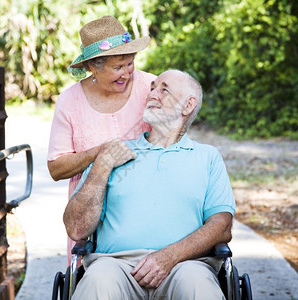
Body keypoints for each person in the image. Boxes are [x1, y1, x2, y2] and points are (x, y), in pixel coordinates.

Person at [64, 70, 236, 299]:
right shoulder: (115, 152)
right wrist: (102, 165)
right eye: (152, 88)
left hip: (185, 265)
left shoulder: (207, 157)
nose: (152, 94)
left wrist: (169, 257)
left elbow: (222, 226)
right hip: (116, 266)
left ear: (188, 106)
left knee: (198, 285)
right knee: (98, 279)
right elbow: (76, 228)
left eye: (164, 89)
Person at [46, 15, 156, 261]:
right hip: (89, 217)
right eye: (118, 67)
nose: (126, 73)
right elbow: (56, 168)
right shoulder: (69, 101)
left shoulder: (151, 86)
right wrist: (99, 153)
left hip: (147, 208)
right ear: (93, 66)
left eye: (130, 63)